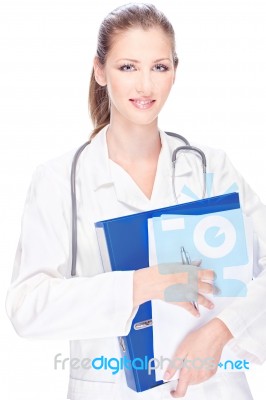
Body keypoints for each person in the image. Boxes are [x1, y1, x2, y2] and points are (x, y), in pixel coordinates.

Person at [5, 3, 266, 400]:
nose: (145, 85)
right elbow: (27, 308)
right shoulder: (60, 180)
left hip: (214, 388)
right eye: (128, 67)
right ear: (99, 70)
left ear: (175, 72)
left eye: (159, 67)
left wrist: (223, 331)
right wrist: (139, 285)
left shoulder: (211, 168)